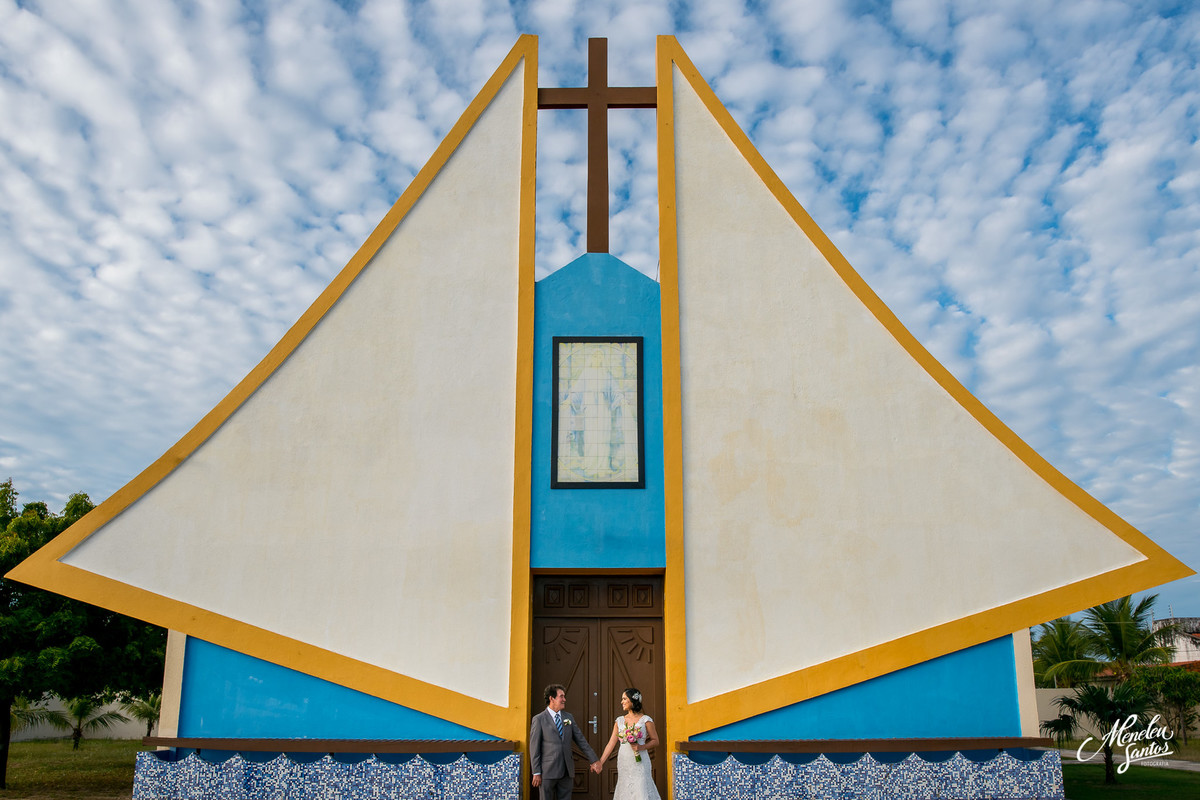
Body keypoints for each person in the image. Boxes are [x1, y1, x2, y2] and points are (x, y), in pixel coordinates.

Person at [529, 683, 601, 799]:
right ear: (552, 698)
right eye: (561, 696)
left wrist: (594, 759)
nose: (564, 699)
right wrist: (536, 772)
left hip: (567, 771)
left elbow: (581, 740)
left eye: (564, 696)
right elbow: (534, 748)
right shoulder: (539, 719)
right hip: (547, 771)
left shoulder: (568, 717)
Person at [596, 687, 661, 800]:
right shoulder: (619, 721)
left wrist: (641, 747)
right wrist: (601, 762)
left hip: (641, 761)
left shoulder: (646, 720)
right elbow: (611, 743)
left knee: (641, 787)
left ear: (633, 700)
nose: (622, 702)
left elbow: (656, 741)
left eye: (624, 699)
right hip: (624, 761)